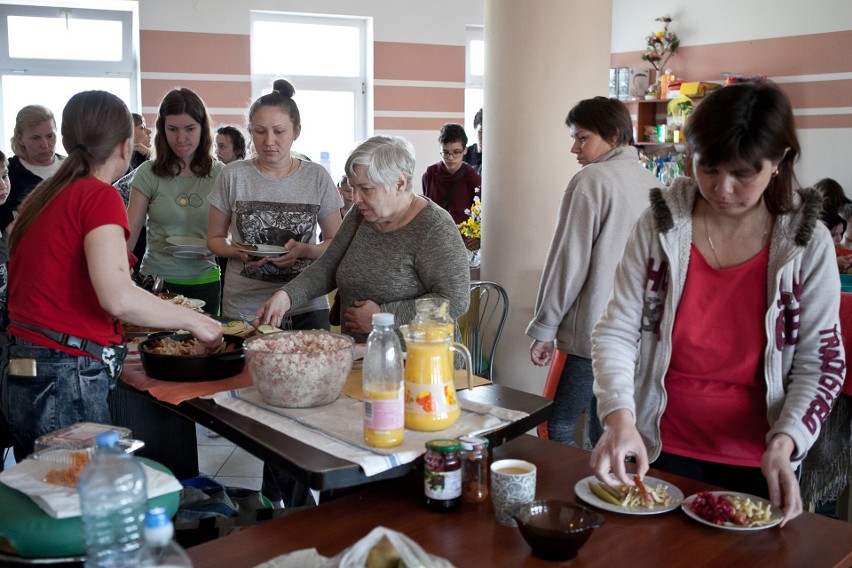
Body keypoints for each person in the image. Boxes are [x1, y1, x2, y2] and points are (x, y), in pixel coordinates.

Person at [590, 81, 843, 527]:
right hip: (658, 448)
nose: (722, 188)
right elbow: (617, 330)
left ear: (780, 160)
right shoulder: (662, 224)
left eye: (743, 173)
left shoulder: (807, 241)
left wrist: (787, 442)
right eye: (708, 167)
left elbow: (821, 363)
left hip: (760, 459)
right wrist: (619, 417)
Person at [1, 90, 222, 461]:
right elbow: (117, 296)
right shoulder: (97, 196)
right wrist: (197, 322)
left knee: (55, 499)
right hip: (64, 374)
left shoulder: (46, 193)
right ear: (124, 146)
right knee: (81, 497)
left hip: (25, 371)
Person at [526, 97, 660, 448]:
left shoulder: (591, 180)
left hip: (593, 335)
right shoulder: (654, 185)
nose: (574, 148)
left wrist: (545, 328)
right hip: (639, 336)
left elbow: (568, 263)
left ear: (613, 135)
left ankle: (569, 500)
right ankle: (602, 497)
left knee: (555, 427)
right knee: (611, 432)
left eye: (582, 138)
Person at [254, 134, 470, 343]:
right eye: (353, 187)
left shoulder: (434, 227)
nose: (355, 199)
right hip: (365, 359)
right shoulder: (362, 215)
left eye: (366, 189)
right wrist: (286, 297)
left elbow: (455, 300)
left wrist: (383, 316)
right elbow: (328, 266)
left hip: (419, 365)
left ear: (399, 184)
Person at [208, 79, 343, 325]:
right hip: (245, 307)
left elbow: (335, 242)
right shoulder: (233, 175)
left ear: (297, 131)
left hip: (305, 305)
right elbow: (214, 239)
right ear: (250, 132)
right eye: (260, 131)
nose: (269, 141)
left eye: (279, 131)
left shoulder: (316, 176)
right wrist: (237, 252)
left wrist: (304, 250)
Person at [127, 88, 224, 315]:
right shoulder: (147, 173)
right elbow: (128, 238)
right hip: (158, 281)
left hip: (205, 278)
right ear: (162, 130)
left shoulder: (220, 174)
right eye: (173, 129)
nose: (181, 139)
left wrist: (221, 244)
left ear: (203, 129)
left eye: (189, 129)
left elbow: (233, 232)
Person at [0, 105, 64, 231]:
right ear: (20, 138)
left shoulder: (73, 167)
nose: (45, 145)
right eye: (36, 138)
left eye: (50, 136)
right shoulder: (8, 173)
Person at [421, 123, 481, 224]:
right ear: (440, 150)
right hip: (435, 233)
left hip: (461, 236)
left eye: (456, 152)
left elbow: (479, 214)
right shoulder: (430, 174)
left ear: (465, 151)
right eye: (446, 153)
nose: (450, 157)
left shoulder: (472, 178)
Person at [463, 108, 483, 175]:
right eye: (481, 131)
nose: (484, 137)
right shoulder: (465, 154)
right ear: (475, 129)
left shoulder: (495, 156)